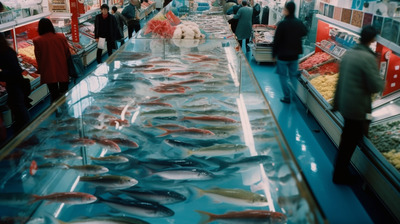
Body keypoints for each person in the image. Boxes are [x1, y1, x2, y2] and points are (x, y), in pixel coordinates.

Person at [332, 25, 384, 185]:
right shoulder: (367, 57)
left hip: (346, 105)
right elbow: (375, 86)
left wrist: (335, 103)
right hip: (357, 108)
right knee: (349, 143)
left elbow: (340, 81)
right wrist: (383, 81)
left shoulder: (350, 53)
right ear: (373, 39)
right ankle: (340, 175)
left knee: (346, 140)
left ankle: (340, 170)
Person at [272, 1, 308, 104]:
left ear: (287, 10)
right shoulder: (298, 22)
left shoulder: (283, 23)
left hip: (283, 56)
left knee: (283, 76)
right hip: (294, 55)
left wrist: (274, 54)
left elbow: (276, 40)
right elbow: (305, 32)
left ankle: (287, 97)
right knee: (293, 76)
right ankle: (294, 95)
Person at [33, 18, 71, 105]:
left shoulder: (37, 40)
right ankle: (65, 111)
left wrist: (39, 70)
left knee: (54, 94)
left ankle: (57, 113)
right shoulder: (61, 36)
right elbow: (67, 52)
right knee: (64, 93)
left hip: (48, 71)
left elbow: (38, 58)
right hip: (62, 68)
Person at [0, 33, 31, 132]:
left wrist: (1, 75)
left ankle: (24, 130)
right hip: (17, 82)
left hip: (14, 83)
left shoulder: (4, 53)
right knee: (19, 106)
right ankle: (23, 128)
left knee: (18, 106)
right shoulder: (8, 50)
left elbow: (13, 71)